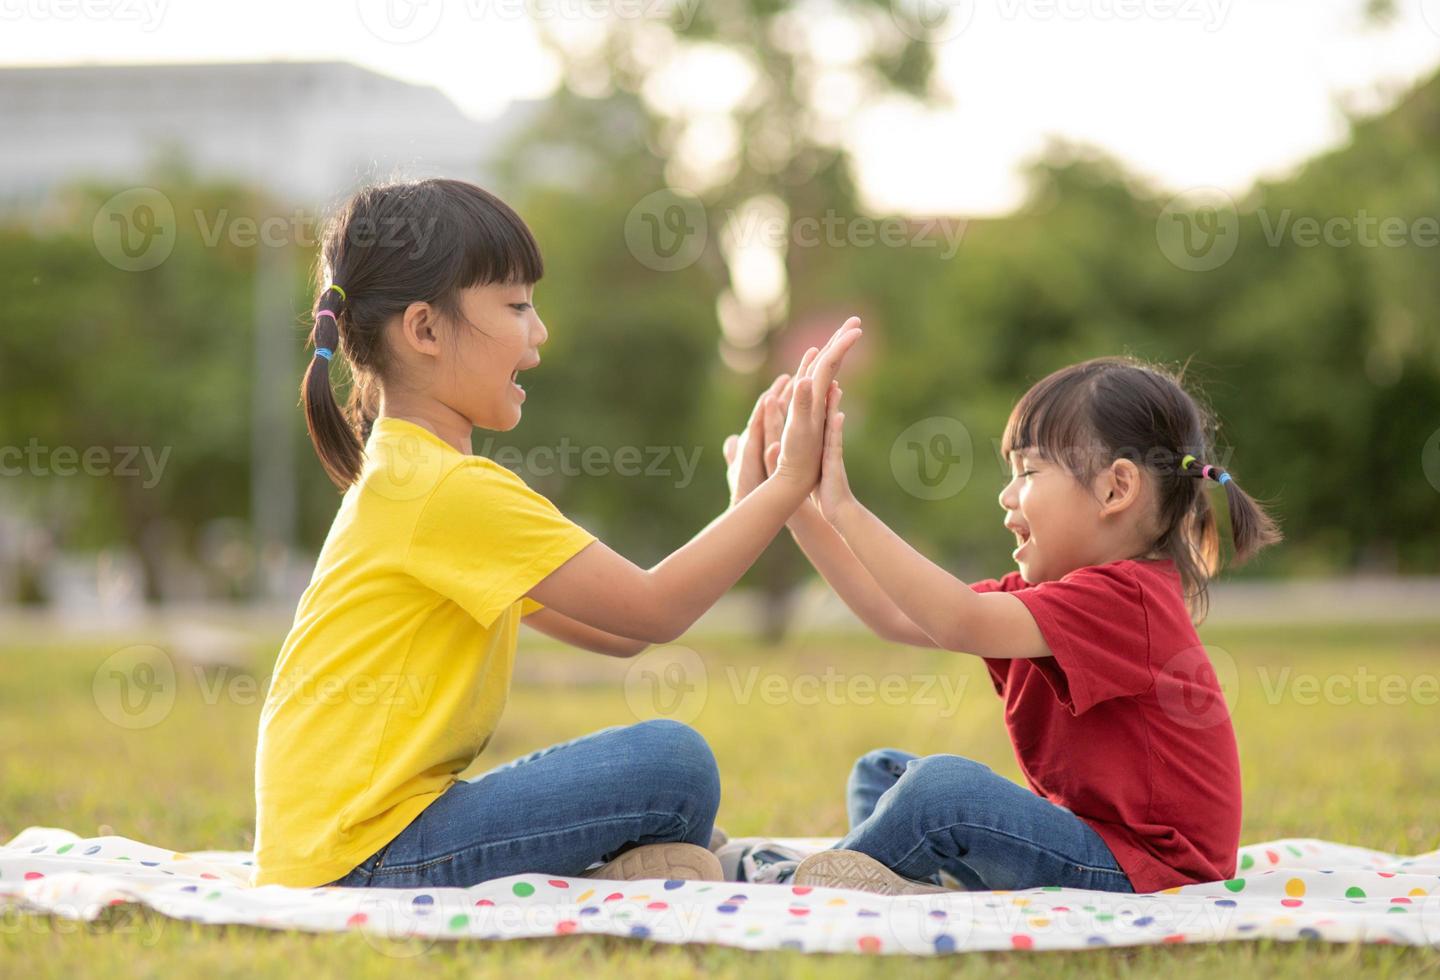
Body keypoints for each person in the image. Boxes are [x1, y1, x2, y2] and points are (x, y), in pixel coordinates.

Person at [250, 178, 861, 889]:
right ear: (424, 329)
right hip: (364, 855)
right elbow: (655, 610)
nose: (538, 335)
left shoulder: (411, 475)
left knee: (661, 770)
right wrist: (788, 483)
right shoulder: (446, 490)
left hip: (343, 843)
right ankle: (668, 859)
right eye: (515, 306)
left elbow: (624, 631)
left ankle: (649, 860)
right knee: (672, 764)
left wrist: (742, 506)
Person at [724, 352, 1281, 895]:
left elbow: (956, 621)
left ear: (1116, 488)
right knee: (885, 773)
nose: (1006, 494)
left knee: (942, 791)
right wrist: (794, 502)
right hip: (1094, 846)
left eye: (1028, 471)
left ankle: (801, 884)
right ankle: (896, 879)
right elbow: (894, 611)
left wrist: (841, 504)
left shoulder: (1125, 600)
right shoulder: (1059, 598)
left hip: (1153, 869)